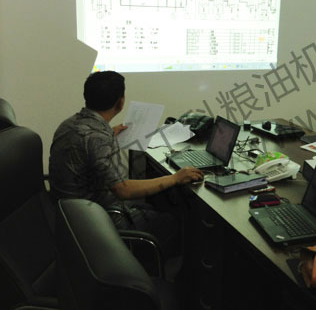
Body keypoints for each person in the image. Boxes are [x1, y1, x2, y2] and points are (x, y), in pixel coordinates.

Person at [49, 71, 203, 253]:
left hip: (68, 213)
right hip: (96, 219)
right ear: (121, 102)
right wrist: (175, 178)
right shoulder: (98, 138)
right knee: (173, 220)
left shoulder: (69, 124)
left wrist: (108, 133)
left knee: (152, 205)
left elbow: (87, 147)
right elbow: (123, 189)